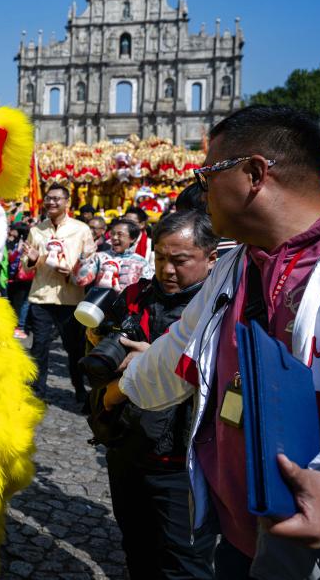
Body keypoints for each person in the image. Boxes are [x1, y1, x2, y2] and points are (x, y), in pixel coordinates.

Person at [106, 105, 320, 579]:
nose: (199, 188)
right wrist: (118, 392)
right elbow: (178, 350)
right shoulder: (236, 264)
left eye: (208, 173)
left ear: (254, 174)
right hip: (238, 540)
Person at [82, 209, 218, 579]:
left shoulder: (218, 310)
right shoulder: (134, 296)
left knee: (183, 564)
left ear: (211, 258)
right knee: (136, 549)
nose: (167, 270)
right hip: (127, 447)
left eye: (180, 260)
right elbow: (97, 364)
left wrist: (155, 362)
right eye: (160, 258)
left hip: (182, 465)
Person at [21, 184, 94, 400]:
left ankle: (79, 388)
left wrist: (72, 272)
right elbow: (25, 267)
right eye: (49, 198)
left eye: (57, 199)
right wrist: (33, 259)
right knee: (39, 346)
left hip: (70, 298)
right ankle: (38, 391)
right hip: (41, 296)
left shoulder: (81, 230)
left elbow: (90, 264)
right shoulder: (36, 230)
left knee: (74, 349)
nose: (51, 203)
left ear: (67, 202)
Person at [72, 220, 153, 291]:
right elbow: (80, 281)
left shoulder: (141, 262)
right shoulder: (99, 257)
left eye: (119, 234)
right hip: (101, 305)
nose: (114, 237)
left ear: (132, 238)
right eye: (113, 233)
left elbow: (148, 288)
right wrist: (84, 258)